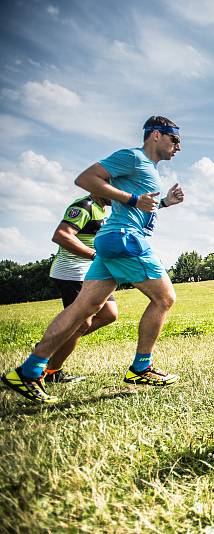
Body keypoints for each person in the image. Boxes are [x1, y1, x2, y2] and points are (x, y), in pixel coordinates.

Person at [2, 116, 185, 403]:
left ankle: (29, 370)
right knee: (164, 298)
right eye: (176, 140)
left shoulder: (146, 168)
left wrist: (163, 204)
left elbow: (135, 206)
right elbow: (86, 179)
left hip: (113, 238)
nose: (179, 147)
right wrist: (132, 199)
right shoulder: (133, 157)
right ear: (157, 135)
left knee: (82, 310)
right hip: (125, 238)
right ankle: (141, 367)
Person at [44, 193, 119, 383]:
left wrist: (165, 202)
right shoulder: (84, 206)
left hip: (92, 272)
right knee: (81, 323)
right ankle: (51, 370)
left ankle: (53, 343)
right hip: (72, 272)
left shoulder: (102, 209)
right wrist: (94, 255)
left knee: (109, 314)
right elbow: (61, 235)